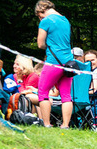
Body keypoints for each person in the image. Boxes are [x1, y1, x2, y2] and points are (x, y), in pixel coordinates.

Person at [35, 0, 74, 128]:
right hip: (68, 63)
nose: (40, 18)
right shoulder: (65, 20)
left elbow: (40, 44)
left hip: (53, 62)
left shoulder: (46, 21)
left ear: (42, 10)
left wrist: (48, 45)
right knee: (66, 95)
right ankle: (65, 125)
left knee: (43, 91)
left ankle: (47, 124)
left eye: (39, 15)